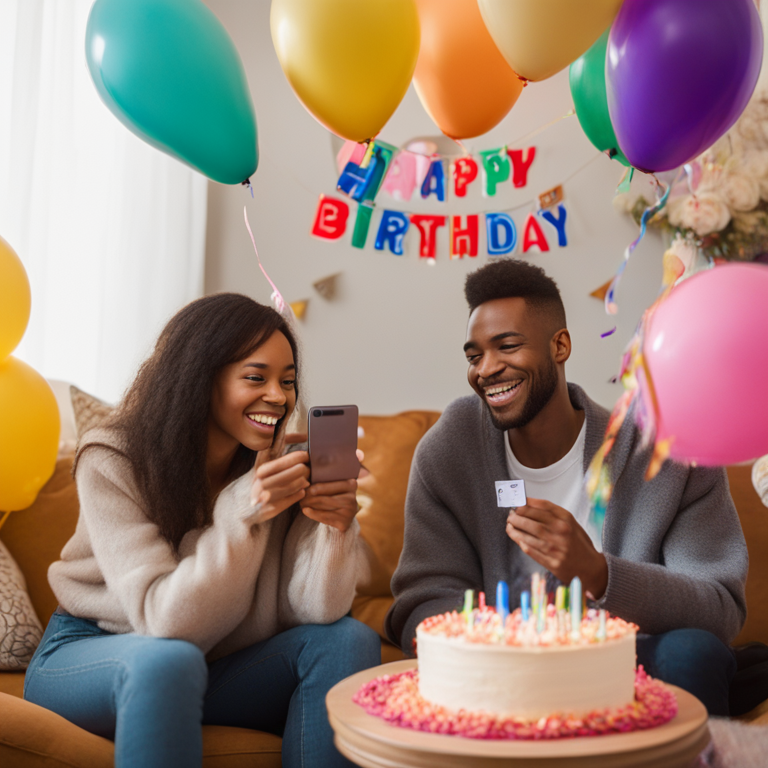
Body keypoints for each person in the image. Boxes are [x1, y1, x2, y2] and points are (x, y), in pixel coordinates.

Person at [24, 293, 379, 768]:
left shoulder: (274, 469)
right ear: (200, 376)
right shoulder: (111, 458)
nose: (278, 396)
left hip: (209, 663)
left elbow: (316, 610)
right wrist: (240, 513)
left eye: (288, 381)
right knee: (170, 660)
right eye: (256, 377)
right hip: (92, 655)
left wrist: (334, 528)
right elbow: (164, 622)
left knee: (349, 639)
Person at [385, 258, 747, 716]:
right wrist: (512, 641)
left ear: (560, 346)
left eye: (508, 346)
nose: (486, 369)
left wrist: (597, 572)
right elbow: (421, 601)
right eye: (474, 356)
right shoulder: (452, 448)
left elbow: (719, 608)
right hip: (503, 667)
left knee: (694, 654)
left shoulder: (664, 452)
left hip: (634, 660)